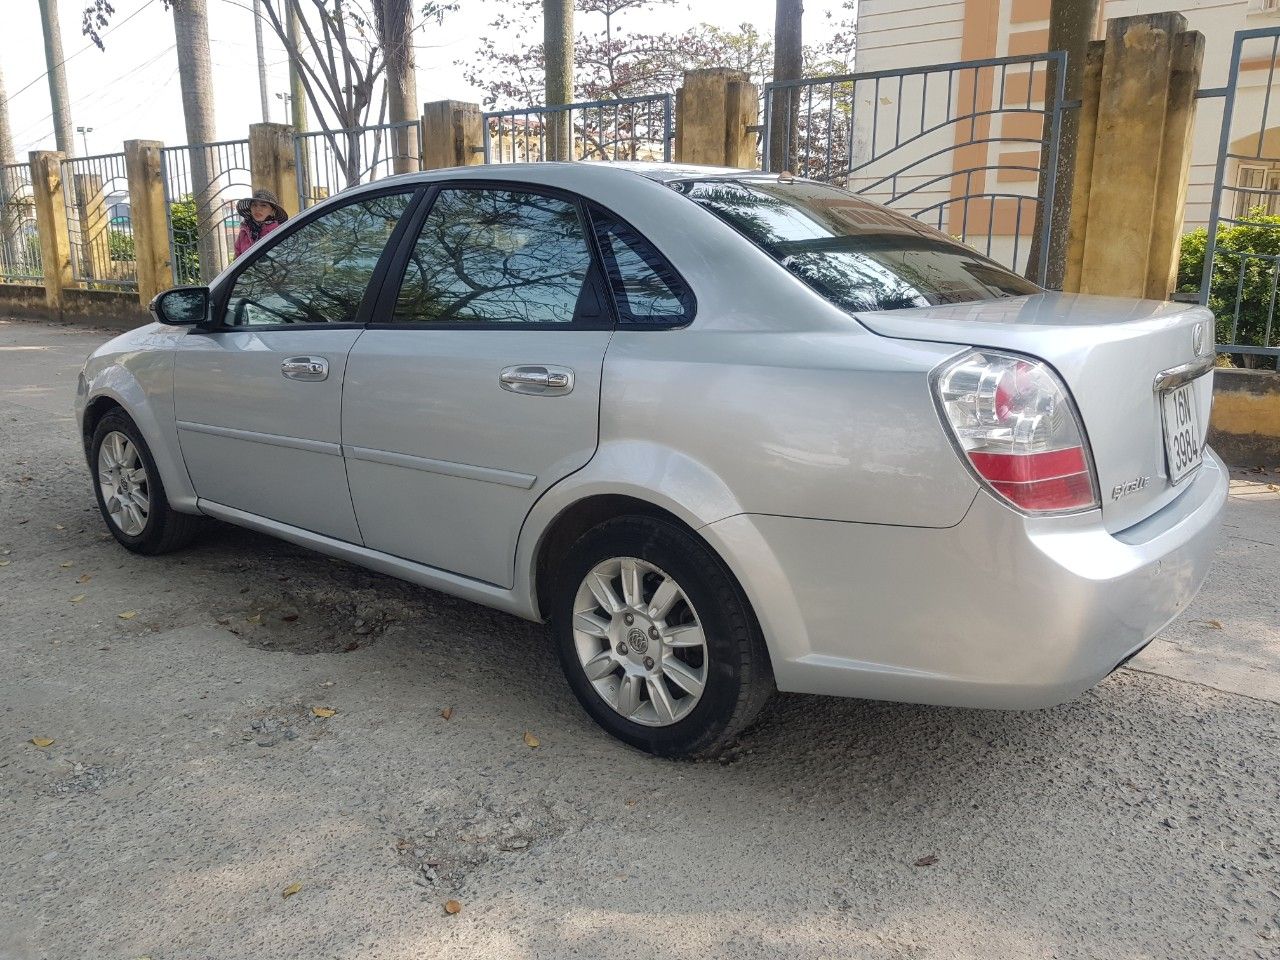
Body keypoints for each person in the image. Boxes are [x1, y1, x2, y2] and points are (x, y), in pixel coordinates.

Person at [233, 189, 288, 257]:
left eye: (263, 205)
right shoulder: (244, 231)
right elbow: (237, 257)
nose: (257, 209)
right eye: (254, 205)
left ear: (272, 211)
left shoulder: (278, 232)